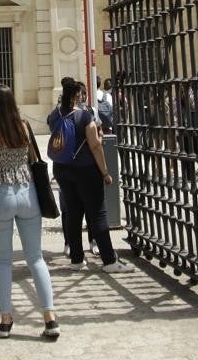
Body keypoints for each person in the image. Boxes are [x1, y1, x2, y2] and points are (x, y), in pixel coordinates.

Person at [0, 85, 59, 339]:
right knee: (35, 258)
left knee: (3, 260)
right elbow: (33, 159)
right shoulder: (23, 126)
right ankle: (49, 316)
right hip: (28, 193)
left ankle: (6, 319)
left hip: (1, 195)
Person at [49, 79, 134, 274]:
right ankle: (109, 260)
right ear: (76, 95)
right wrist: (105, 172)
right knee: (97, 214)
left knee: (73, 213)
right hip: (86, 169)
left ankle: (77, 259)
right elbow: (95, 146)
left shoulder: (54, 116)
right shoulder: (84, 116)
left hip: (62, 168)